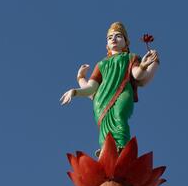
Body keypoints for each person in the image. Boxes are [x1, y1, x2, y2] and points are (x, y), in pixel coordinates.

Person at [60, 22, 160, 157]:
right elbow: (92, 88)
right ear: (107, 44)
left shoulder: (131, 57)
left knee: (119, 116)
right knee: (104, 128)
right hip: (102, 99)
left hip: (123, 91)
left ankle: (122, 148)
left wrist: (144, 65)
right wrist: (76, 88)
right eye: (110, 37)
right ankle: (107, 149)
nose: (113, 39)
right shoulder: (101, 64)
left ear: (126, 42)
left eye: (118, 36)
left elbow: (137, 75)